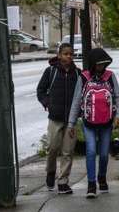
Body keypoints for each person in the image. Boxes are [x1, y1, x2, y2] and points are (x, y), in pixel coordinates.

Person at [67, 48, 119, 198]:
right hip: (88, 122)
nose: (101, 67)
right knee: (91, 151)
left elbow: (118, 97)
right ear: (92, 64)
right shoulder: (84, 78)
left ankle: (102, 177)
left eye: (103, 64)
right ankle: (91, 184)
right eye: (98, 64)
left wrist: (118, 115)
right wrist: (71, 123)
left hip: (107, 122)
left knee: (104, 154)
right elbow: (76, 101)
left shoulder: (110, 76)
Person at [35, 43, 79, 195]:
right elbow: (41, 90)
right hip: (55, 117)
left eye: (71, 54)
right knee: (53, 148)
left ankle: (63, 182)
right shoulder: (51, 71)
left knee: (68, 151)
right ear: (59, 55)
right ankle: (51, 172)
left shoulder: (77, 74)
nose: (69, 56)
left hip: (71, 120)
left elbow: (82, 94)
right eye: (66, 54)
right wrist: (47, 103)